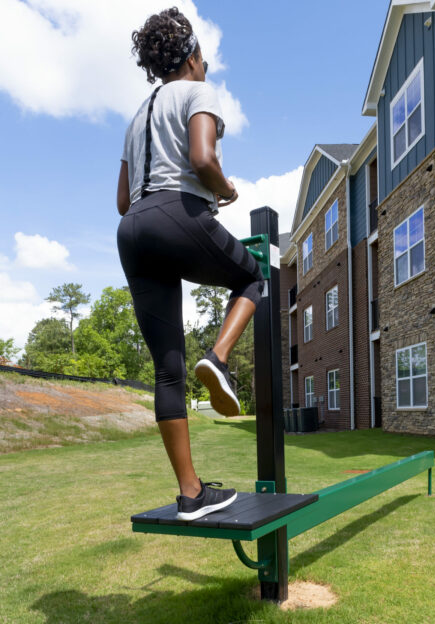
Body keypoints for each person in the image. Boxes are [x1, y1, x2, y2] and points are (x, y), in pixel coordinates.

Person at [116, 7, 264, 521]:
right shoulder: (198, 92)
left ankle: (191, 493)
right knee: (251, 276)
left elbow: (121, 199)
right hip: (176, 212)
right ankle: (219, 359)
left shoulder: (136, 117)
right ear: (194, 58)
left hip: (132, 230)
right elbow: (203, 159)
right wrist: (226, 190)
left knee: (166, 370)